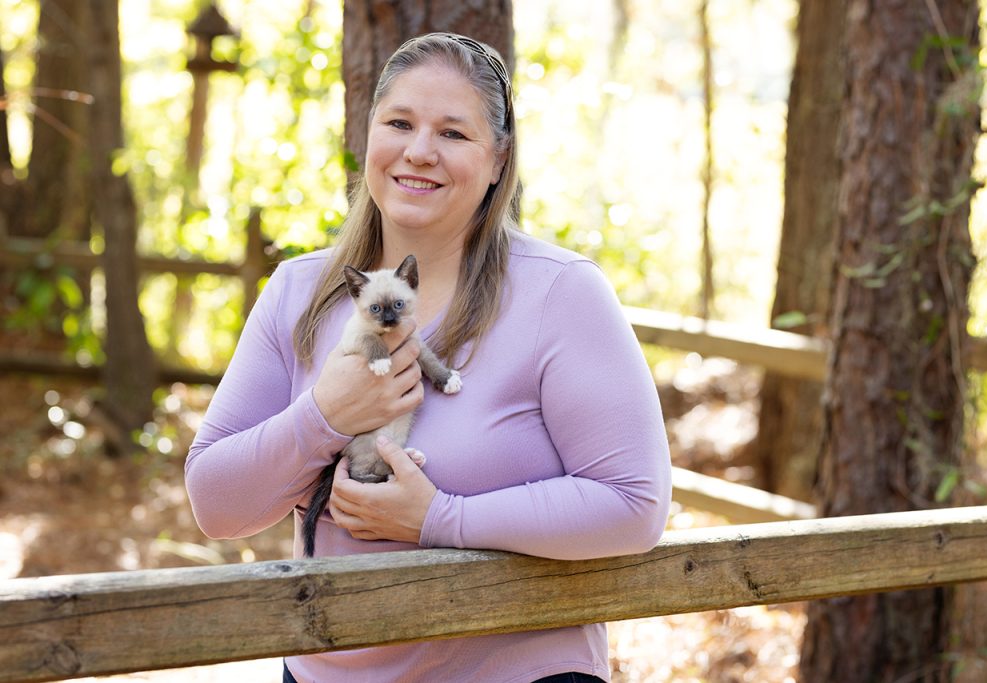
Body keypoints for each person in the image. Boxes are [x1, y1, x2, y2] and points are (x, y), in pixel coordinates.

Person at [185, 32, 671, 683]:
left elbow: (635, 502)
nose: (419, 150)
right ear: (370, 137)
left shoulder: (562, 293)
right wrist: (323, 415)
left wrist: (442, 519)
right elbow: (217, 505)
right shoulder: (297, 292)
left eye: (453, 133)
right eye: (400, 123)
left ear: (499, 160)